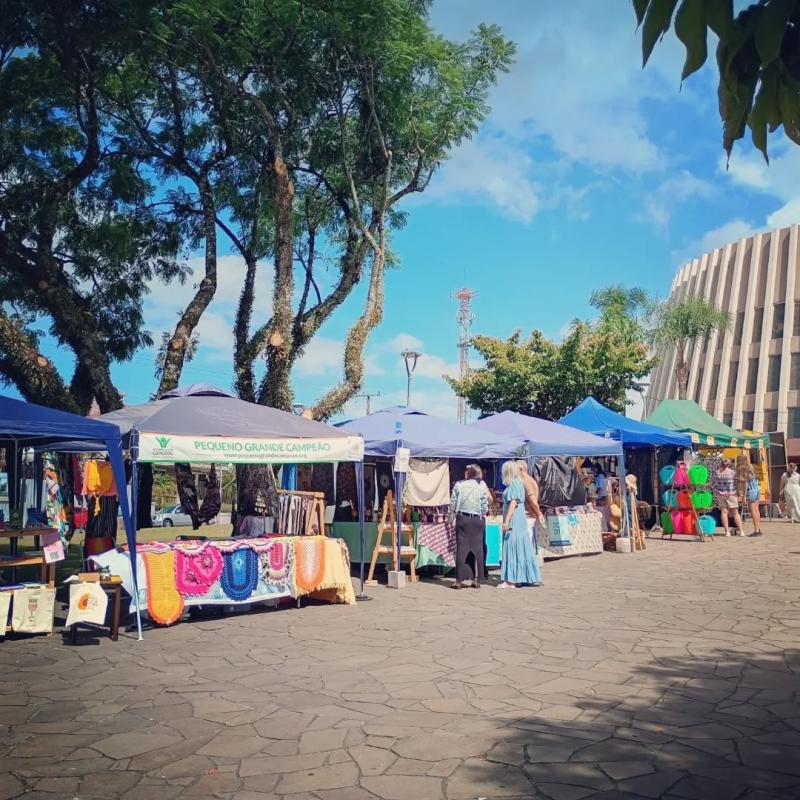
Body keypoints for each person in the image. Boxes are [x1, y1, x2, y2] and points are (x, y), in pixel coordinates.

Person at [499, 461, 541, 589]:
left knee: (512, 545)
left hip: (515, 519)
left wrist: (506, 521)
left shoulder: (514, 484)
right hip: (519, 518)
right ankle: (524, 576)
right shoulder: (519, 483)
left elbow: (513, 503)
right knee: (522, 546)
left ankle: (511, 580)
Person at [450, 464, 488, 589]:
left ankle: (458, 580)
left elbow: (453, 503)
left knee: (461, 549)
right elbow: (484, 506)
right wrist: (482, 513)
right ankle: (478, 579)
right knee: (478, 550)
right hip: (477, 520)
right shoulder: (481, 486)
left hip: (463, 519)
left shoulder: (459, 485)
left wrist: (451, 517)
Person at [715, 458, 743, 536]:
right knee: (735, 513)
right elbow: (737, 483)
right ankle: (741, 531)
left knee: (724, 512)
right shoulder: (732, 473)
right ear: (729, 464)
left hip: (721, 494)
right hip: (732, 494)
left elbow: (715, 484)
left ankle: (727, 532)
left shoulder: (717, 473)